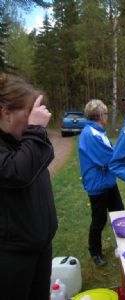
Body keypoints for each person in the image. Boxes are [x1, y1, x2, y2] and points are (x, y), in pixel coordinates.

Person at [0, 73, 57, 299]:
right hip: (13, 255)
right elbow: (17, 173)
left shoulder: (22, 138)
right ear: (5, 111)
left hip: (40, 245)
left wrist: (34, 131)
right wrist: (35, 130)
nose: (34, 120)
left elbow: (46, 153)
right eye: (29, 113)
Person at [78, 99, 124, 266]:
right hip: (97, 184)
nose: (107, 116)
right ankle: (95, 251)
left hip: (108, 181)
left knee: (119, 213)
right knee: (99, 220)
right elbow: (106, 158)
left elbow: (110, 152)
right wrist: (123, 157)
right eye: (105, 113)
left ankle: (123, 245)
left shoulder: (99, 131)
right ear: (99, 116)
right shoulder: (90, 134)